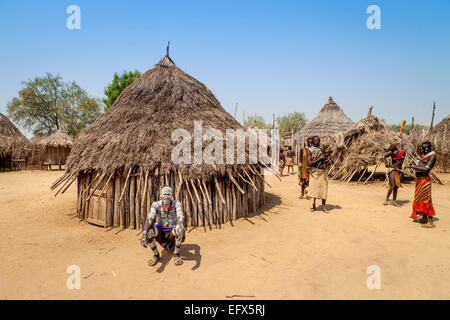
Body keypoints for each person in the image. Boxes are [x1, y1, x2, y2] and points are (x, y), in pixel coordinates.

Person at [140, 186, 185, 266]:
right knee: (149, 231)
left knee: (179, 228)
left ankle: (176, 255)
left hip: (171, 231)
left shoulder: (176, 203)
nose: (166, 197)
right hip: (160, 231)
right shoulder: (156, 204)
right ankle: (156, 255)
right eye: (164, 194)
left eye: (168, 194)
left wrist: (182, 228)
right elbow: (150, 218)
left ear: (172, 195)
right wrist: (144, 233)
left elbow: (180, 216)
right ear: (160, 195)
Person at [406, 141, 437, 228]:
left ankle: (430, 222)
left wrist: (412, 167)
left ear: (427, 148)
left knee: (427, 200)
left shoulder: (432, 156)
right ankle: (424, 218)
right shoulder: (424, 155)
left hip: (425, 180)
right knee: (420, 198)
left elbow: (425, 169)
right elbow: (420, 165)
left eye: (423, 148)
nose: (421, 150)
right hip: (420, 180)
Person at [307, 136, 332, 213]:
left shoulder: (322, 149)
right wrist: (320, 159)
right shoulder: (310, 150)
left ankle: (323, 207)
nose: (318, 142)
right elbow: (309, 162)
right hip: (314, 172)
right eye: (316, 141)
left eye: (319, 141)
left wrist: (329, 160)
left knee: (324, 188)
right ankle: (313, 205)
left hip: (323, 171)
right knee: (313, 189)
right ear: (313, 142)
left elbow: (327, 157)